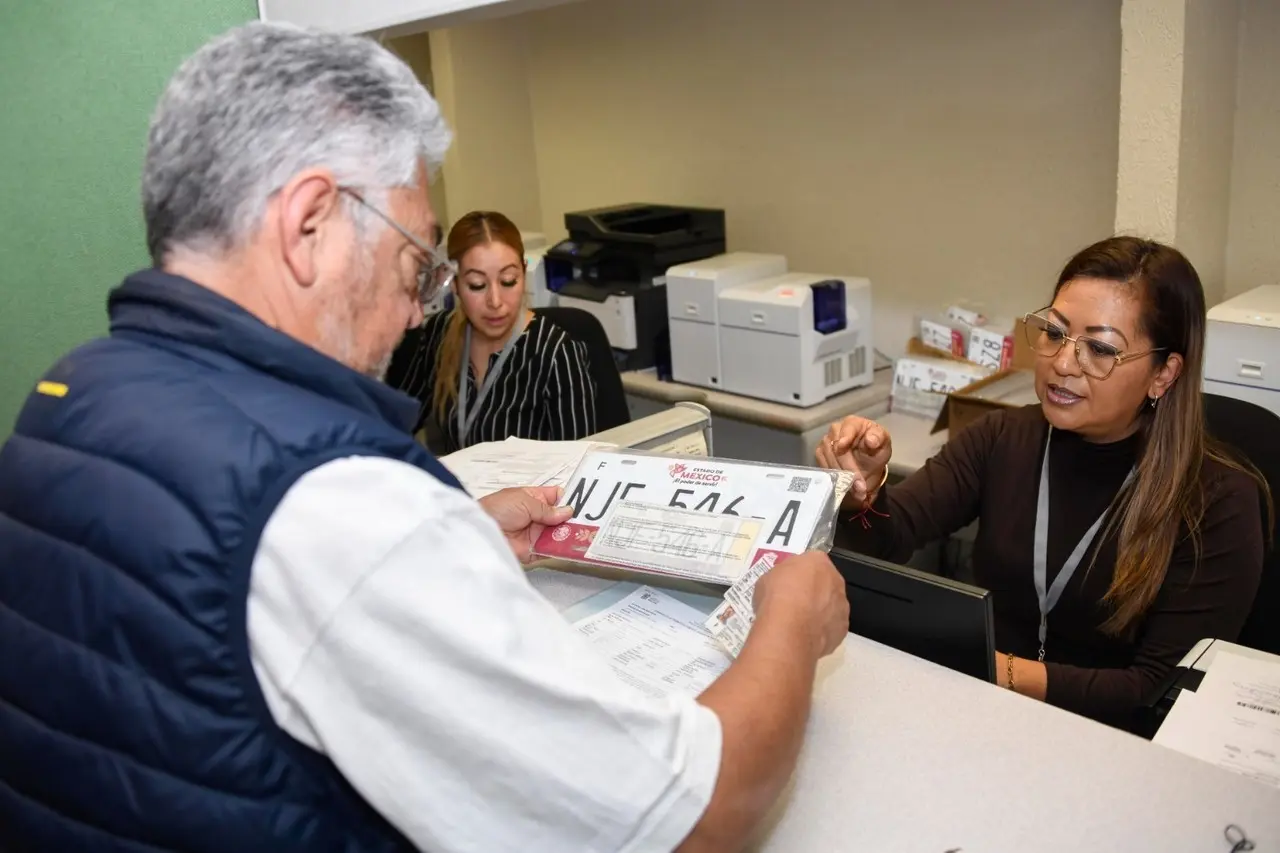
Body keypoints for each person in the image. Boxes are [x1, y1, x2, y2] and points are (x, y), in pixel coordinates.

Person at [0, 23, 850, 853]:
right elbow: (693, 813)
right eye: (418, 267)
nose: (419, 309)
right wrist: (791, 614)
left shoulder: (70, 394)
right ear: (309, 224)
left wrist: (462, 534)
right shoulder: (340, 498)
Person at [817, 236, 1269, 729]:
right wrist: (863, 492)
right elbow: (888, 538)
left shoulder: (1218, 500)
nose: (1062, 363)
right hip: (987, 709)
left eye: (1099, 348)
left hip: (1117, 744)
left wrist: (987, 667)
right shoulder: (1002, 437)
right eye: (1054, 332)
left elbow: (1155, 691)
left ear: (1163, 374)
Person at [387, 211, 597, 452]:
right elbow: (395, 424)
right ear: (454, 283)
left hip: (533, 489)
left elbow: (579, 464)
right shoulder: (440, 333)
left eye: (508, 281)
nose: (495, 301)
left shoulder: (554, 351)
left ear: (523, 274)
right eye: (477, 285)